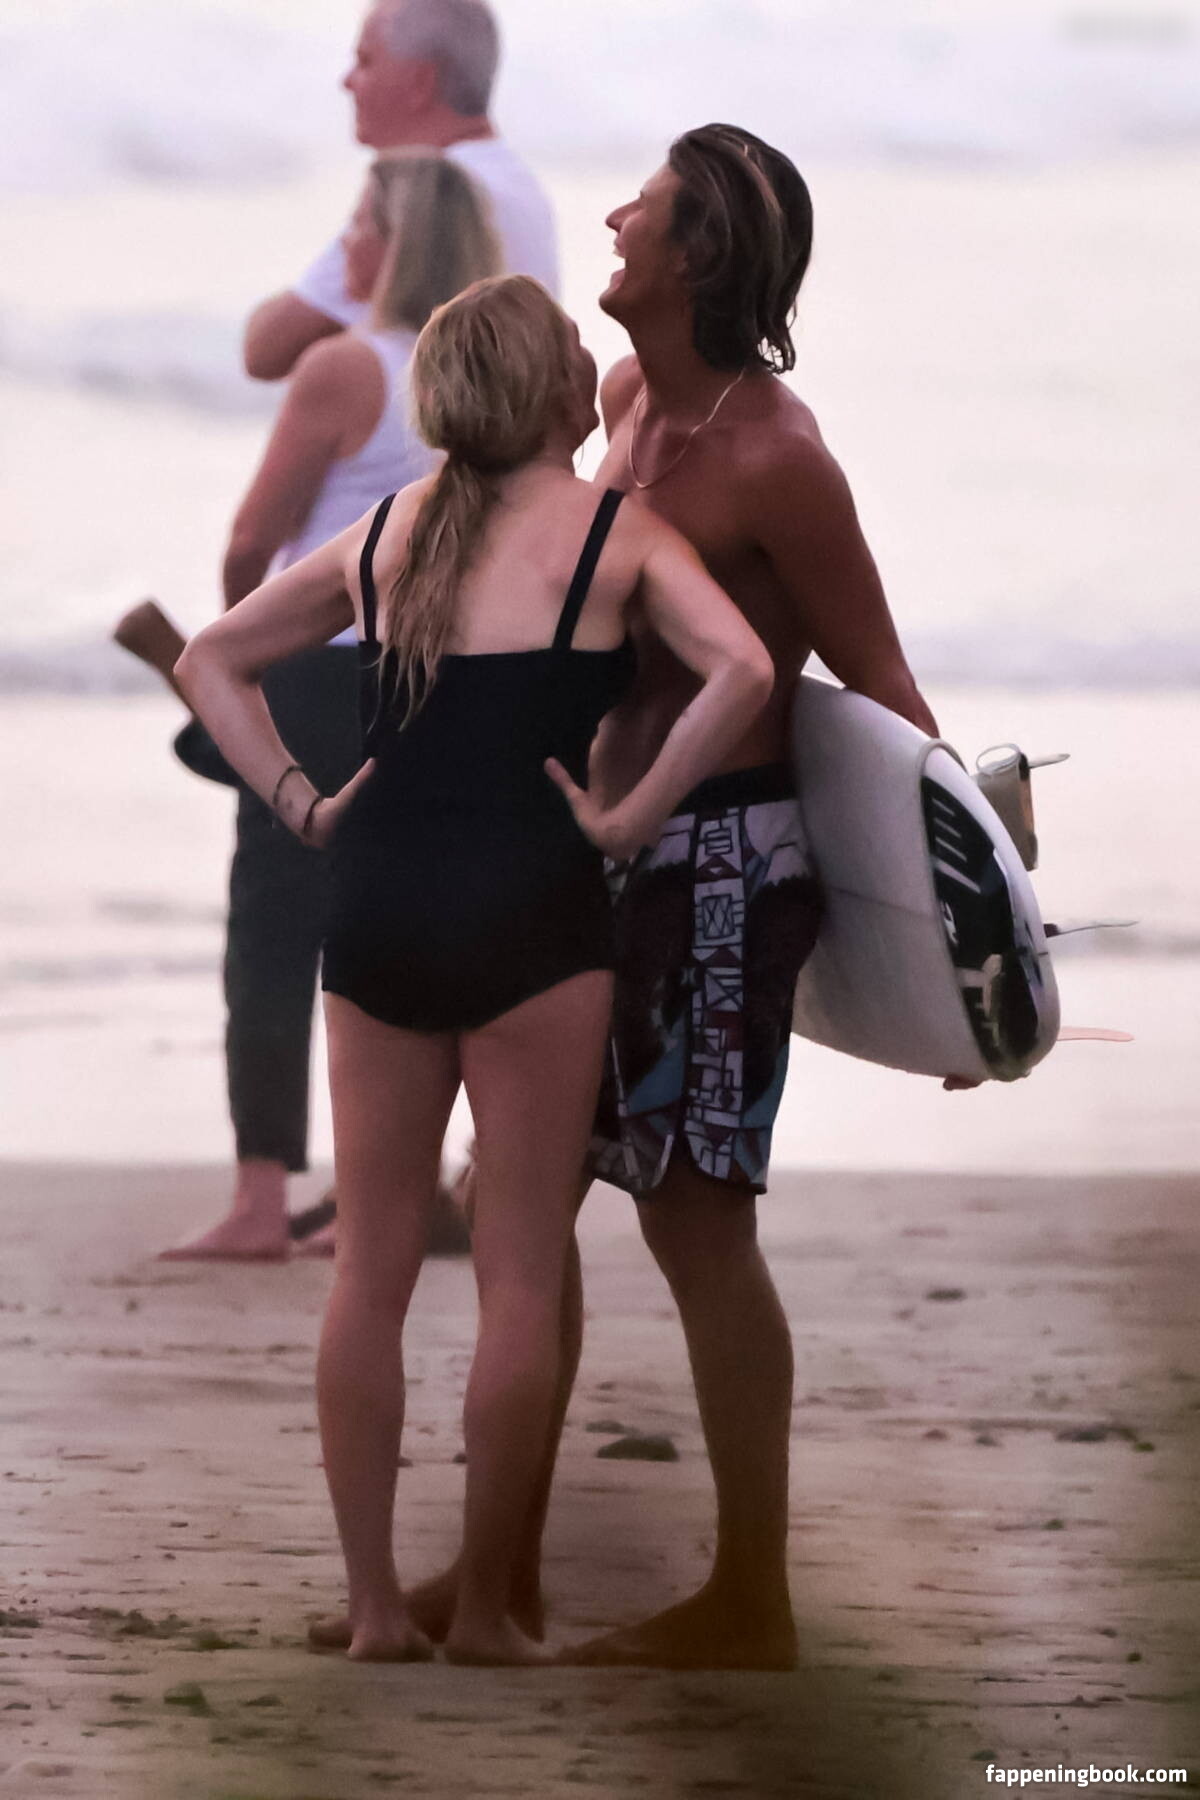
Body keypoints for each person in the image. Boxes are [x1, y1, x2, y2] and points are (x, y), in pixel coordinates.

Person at [323, 125, 943, 1670]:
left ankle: (749, 1596)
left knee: (697, 1223)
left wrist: (958, 947)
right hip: (585, 862)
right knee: (524, 1207)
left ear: (702, 253)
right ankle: (505, 1572)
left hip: (722, 862)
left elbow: (882, 685)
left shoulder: (777, 458)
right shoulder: (617, 404)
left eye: (646, 209)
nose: (612, 219)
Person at [173, 273, 775, 1664]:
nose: (589, 360)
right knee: (517, 1274)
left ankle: (377, 1608)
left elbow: (212, 657)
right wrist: (633, 814)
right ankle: (492, 1612)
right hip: (536, 920)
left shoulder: (387, 531)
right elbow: (742, 669)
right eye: (573, 349)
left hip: (377, 909)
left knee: (369, 1275)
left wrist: (296, 802)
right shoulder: (613, 535)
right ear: (548, 390)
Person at [152, 155, 501, 1261]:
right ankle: (382, 1192)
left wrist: (242, 659)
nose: (343, 245)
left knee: (274, 928)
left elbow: (255, 540)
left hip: (319, 674)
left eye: (358, 224)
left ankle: (263, 1198)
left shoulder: (345, 366)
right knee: (400, 932)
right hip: (437, 680)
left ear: (395, 244)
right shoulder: (488, 383)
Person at [243, 0, 557, 385]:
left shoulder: (426, 193)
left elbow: (264, 350)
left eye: (365, 61)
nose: (347, 81)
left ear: (420, 83)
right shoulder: (519, 186)